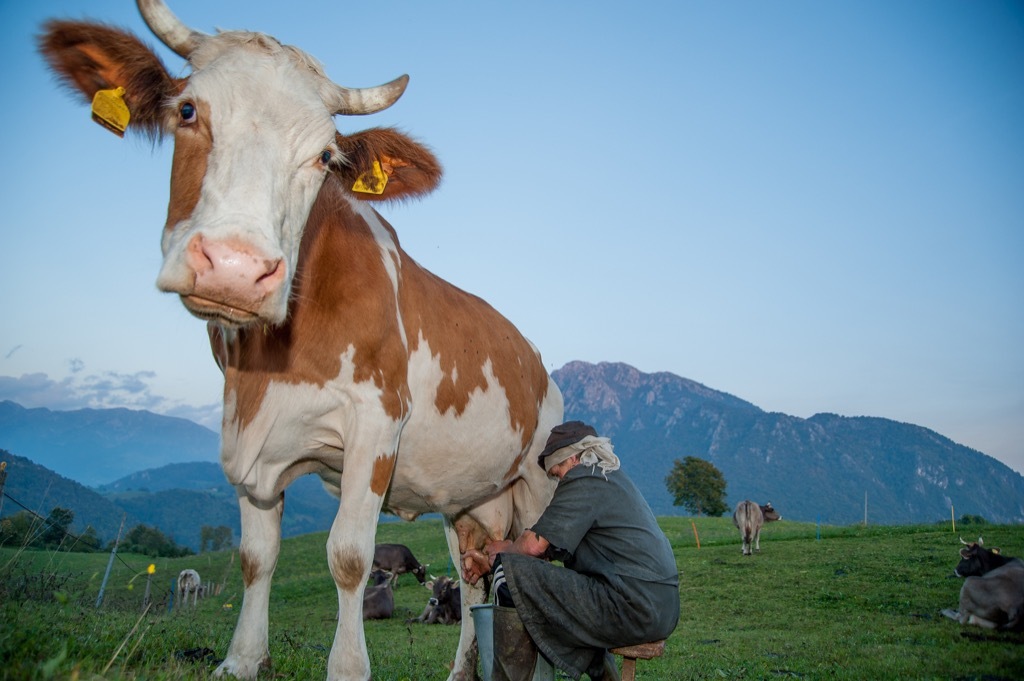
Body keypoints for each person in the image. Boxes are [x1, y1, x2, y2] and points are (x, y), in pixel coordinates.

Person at [463, 421, 680, 681]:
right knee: (571, 594)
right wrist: (496, 556)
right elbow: (548, 552)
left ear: (575, 457)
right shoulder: (611, 478)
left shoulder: (584, 476)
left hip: (633, 606)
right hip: (658, 607)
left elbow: (534, 545)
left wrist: (505, 552)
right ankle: (605, 676)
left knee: (508, 576)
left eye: (558, 472)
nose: (559, 480)